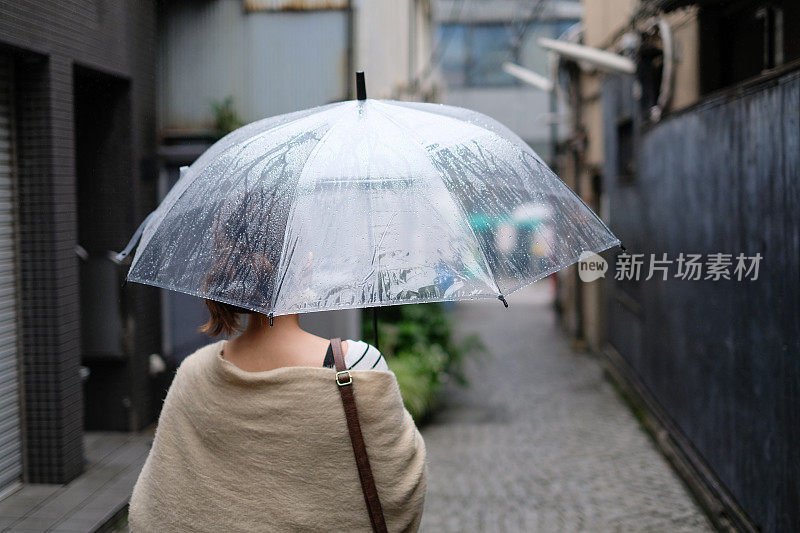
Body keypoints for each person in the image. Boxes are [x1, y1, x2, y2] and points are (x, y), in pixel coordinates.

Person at [128, 192, 428, 531]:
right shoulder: (359, 364)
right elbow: (402, 488)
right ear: (305, 265)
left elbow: (154, 508)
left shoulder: (194, 373)